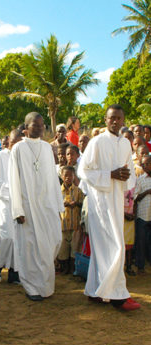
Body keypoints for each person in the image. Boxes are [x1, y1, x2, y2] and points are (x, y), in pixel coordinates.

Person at [77, 104, 140, 311]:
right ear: (105, 119)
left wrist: (123, 176)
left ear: (123, 120)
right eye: (112, 118)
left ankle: (96, 290)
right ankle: (117, 295)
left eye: (119, 118)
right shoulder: (96, 141)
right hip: (100, 201)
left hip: (115, 201)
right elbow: (83, 170)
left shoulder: (125, 144)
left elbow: (129, 174)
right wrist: (109, 175)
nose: (115, 121)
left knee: (106, 248)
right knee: (114, 247)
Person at [9, 112, 64, 301]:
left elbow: (53, 179)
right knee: (30, 247)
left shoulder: (47, 148)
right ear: (26, 127)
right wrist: (17, 209)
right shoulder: (18, 149)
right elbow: (13, 180)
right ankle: (31, 287)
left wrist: (58, 206)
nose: (40, 128)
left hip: (47, 205)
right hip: (28, 206)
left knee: (52, 242)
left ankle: (46, 286)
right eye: (35, 125)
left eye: (42, 125)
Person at [0, 129, 22, 283]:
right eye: (13, 143)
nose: (15, 146)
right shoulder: (0, 158)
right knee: (5, 236)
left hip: (21, 205)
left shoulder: (24, 158)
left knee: (18, 238)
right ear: (8, 142)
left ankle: (14, 272)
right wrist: (11, 190)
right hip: (4, 203)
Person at [57, 166, 84, 274]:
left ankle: (73, 268)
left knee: (74, 247)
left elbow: (82, 204)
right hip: (62, 224)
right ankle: (64, 268)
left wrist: (76, 204)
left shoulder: (78, 191)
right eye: (66, 175)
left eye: (71, 175)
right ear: (62, 176)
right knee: (63, 248)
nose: (68, 178)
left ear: (74, 176)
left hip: (75, 224)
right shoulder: (58, 191)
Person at [134, 155, 151, 275]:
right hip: (143, 216)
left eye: (146, 164)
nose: (144, 166)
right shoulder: (140, 179)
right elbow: (135, 197)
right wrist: (147, 192)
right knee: (141, 242)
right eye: (142, 164)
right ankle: (140, 267)